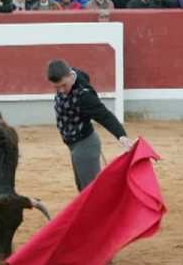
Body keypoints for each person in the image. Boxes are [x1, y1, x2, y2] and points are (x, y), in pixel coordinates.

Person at [46, 59, 134, 192]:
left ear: (70, 75)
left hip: (85, 145)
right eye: (57, 87)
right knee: (83, 189)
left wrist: (121, 135)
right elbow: (83, 74)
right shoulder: (71, 75)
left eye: (64, 85)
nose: (61, 90)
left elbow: (104, 115)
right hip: (74, 145)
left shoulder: (84, 95)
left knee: (91, 192)